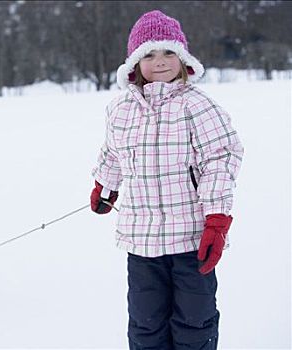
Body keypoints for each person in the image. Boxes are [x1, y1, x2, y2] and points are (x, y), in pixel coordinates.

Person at [90, 10, 243, 349]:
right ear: (134, 62)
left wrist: (217, 220)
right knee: (146, 325)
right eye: (149, 54)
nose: (160, 62)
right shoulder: (120, 109)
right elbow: (113, 153)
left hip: (191, 240)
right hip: (141, 243)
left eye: (168, 52)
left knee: (194, 322)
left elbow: (221, 158)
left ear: (183, 57)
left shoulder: (197, 105)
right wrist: (105, 185)